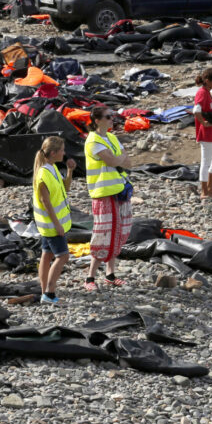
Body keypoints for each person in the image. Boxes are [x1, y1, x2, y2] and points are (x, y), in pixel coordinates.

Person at [84, 107, 133, 291]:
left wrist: (117, 158)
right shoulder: (93, 141)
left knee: (117, 231)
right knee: (103, 233)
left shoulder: (111, 137)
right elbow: (114, 161)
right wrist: (119, 158)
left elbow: (127, 162)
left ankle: (110, 274)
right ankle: (90, 277)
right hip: (103, 193)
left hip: (118, 190)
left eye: (112, 116)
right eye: (108, 117)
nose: (112, 119)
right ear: (97, 120)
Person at [33, 136, 76, 305]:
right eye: (62, 150)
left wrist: (70, 171)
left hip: (50, 224)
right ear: (53, 153)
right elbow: (46, 202)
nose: (64, 153)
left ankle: (44, 291)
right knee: (63, 256)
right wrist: (57, 224)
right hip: (51, 225)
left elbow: (66, 187)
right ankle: (49, 294)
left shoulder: (52, 168)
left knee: (47, 255)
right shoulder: (44, 174)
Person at [193, 68, 212, 201]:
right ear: (207, 81)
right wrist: (203, 123)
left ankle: (210, 187)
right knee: (206, 162)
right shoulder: (202, 93)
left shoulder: (207, 93)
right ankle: (204, 191)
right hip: (206, 134)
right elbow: (196, 110)